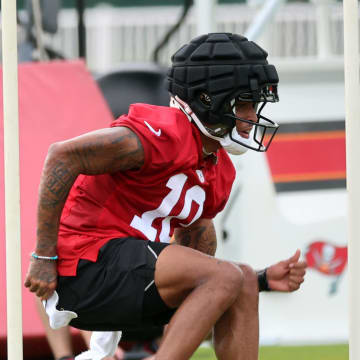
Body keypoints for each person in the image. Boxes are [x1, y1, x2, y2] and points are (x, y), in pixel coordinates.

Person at [24, 32, 307, 360]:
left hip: (127, 282)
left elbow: (203, 274)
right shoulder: (161, 134)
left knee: (240, 279)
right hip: (83, 270)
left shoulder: (218, 171)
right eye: (244, 103)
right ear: (208, 99)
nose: (254, 117)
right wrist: (44, 256)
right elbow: (62, 156)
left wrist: (260, 280)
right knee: (227, 274)